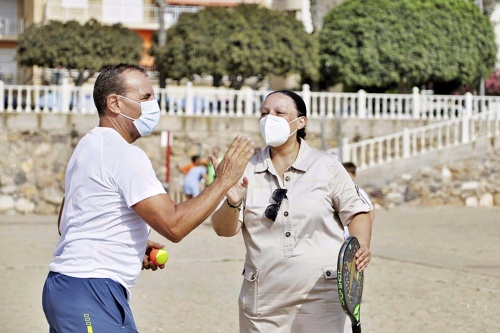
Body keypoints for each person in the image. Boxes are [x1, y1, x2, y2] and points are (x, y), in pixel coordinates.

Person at [42, 63, 255, 333]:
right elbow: (174, 226)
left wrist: (129, 242)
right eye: (145, 98)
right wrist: (224, 180)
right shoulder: (125, 154)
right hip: (90, 288)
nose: (154, 105)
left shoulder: (87, 146)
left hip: (71, 288)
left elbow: (68, 222)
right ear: (115, 103)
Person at [211, 90, 372, 333]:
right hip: (262, 298)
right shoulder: (243, 170)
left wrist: (359, 248)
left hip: (321, 296)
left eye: (279, 112)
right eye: (264, 113)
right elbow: (223, 230)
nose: (269, 118)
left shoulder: (327, 166)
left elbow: (357, 211)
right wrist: (232, 201)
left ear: (300, 122)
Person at [342, 161, 375, 225]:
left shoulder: (358, 192)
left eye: (347, 175)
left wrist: (365, 232)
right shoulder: (335, 192)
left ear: (354, 175)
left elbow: (370, 211)